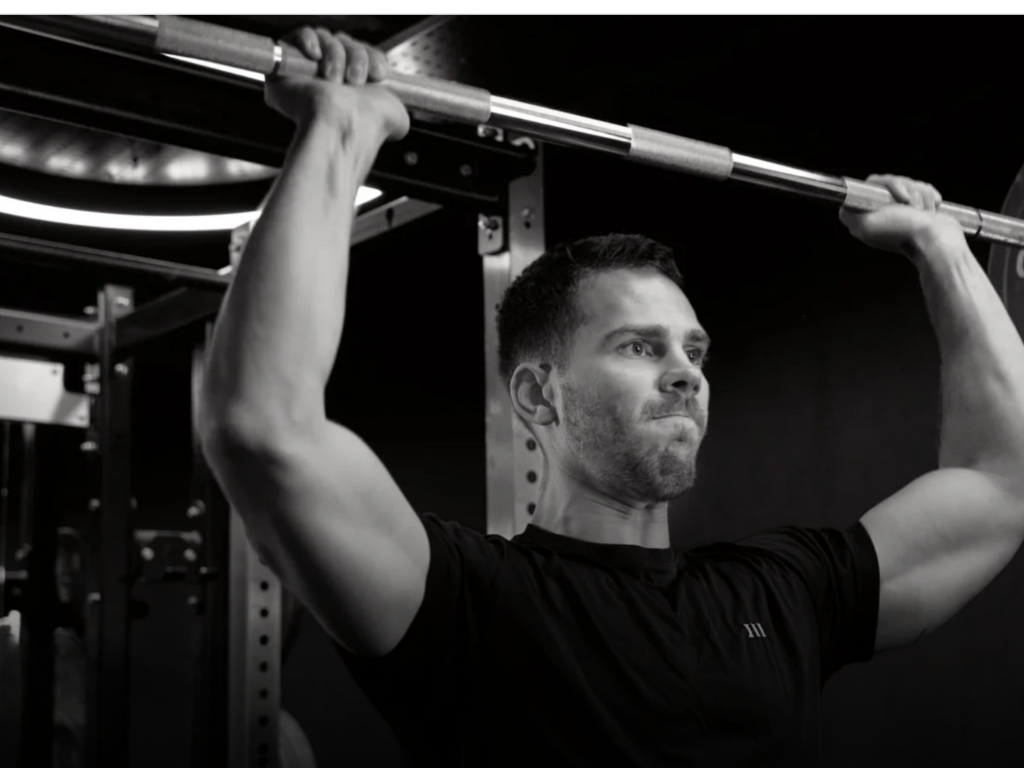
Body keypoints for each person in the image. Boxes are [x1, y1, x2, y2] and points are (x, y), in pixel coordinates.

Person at [199, 27, 1024, 768]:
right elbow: (263, 429)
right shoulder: (464, 603)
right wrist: (341, 135)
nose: (686, 373)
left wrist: (941, 249)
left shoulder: (784, 592)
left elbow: (1004, 482)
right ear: (537, 395)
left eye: (694, 351)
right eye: (639, 346)